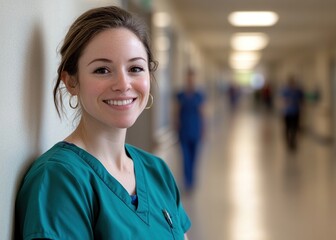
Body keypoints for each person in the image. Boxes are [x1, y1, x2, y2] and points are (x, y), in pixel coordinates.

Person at [15, 6, 191, 239]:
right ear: (71, 82)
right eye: (102, 70)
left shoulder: (156, 171)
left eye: (135, 68)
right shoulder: (60, 179)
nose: (123, 84)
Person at [175, 68, 206, 191]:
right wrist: (175, 125)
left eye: (192, 77)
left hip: (196, 129)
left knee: (194, 156)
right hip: (183, 131)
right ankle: (187, 180)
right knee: (185, 157)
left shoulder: (199, 95)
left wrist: (203, 129)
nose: (190, 80)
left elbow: (203, 113)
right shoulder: (180, 95)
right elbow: (175, 112)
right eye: (189, 77)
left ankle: (192, 179)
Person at [280, 76, 304, 150]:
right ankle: (288, 141)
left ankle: (293, 141)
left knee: (295, 127)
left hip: (296, 112)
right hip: (287, 112)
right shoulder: (285, 91)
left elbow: (302, 99)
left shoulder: (298, 91)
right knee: (288, 127)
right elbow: (282, 100)